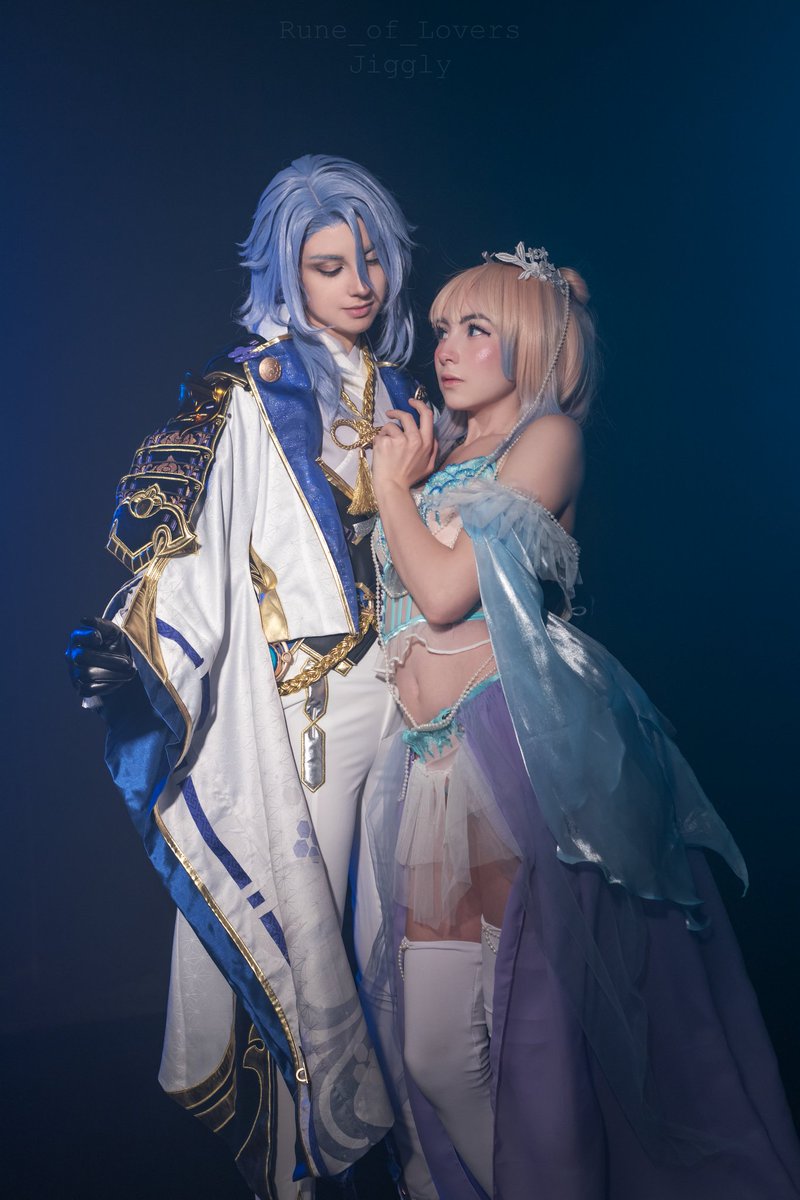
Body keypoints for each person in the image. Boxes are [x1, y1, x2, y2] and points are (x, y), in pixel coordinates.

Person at [366, 244, 800, 1199]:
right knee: (435, 1052)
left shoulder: (550, 438)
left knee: (538, 1045)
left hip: (514, 752)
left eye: (476, 330)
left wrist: (390, 488)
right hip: (428, 763)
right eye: (443, 329)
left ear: (531, 342)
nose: (448, 348)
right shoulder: (440, 452)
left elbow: (443, 593)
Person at [66, 155, 437, 1200]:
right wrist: (137, 643)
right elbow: (193, 542)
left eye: (370, 260)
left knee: (403, 956)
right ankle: (302, 1177)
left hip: (412, 705)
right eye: (329, 265)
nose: (358, 283)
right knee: (303, 949)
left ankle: (420, 1172)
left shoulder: (411, 395)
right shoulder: (249, 389)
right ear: (289, 272)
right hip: (307, 715)